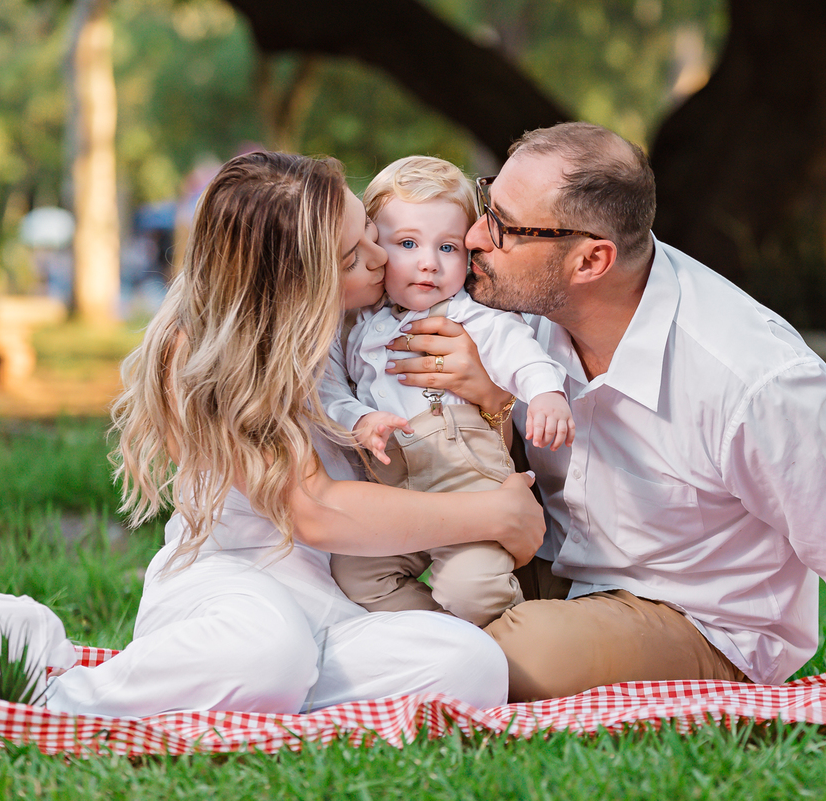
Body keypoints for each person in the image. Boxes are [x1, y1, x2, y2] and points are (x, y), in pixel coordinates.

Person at [389, 122, 826, 702]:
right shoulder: (518, 311)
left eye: (503, 227)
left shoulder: (748, 377)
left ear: (591, 262)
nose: (472, 238)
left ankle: (403, 655)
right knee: (386, 556)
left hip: (695, 616)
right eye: (486, 203)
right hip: (560, 565)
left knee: (515, 654)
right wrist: (494, 399)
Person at [44, 151, 544, 717]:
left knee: (469, 662)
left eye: (372, 234)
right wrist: (493, 516)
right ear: (299, 282)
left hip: (329, 604)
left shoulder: (367, 331)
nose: (383, 258)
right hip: (232, 588)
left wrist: (488, 395)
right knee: (268, 651)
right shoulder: (208, 353)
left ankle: (268, 698)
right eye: (357, 254)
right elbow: (315, 510)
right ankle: (63, 701)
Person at [321, 156, 573, 627]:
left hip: (466, 476)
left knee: (473, 590)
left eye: (449, 247)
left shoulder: (469, 314)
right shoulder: (354, 324)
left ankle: (505, 643)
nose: (428, 263)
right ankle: (441, 640)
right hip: (392, 485)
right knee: (356, 576)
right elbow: (328, 389)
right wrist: (359, 417)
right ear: (373, 245)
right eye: (408, 243)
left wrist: (544, 393)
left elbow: (520, 351)